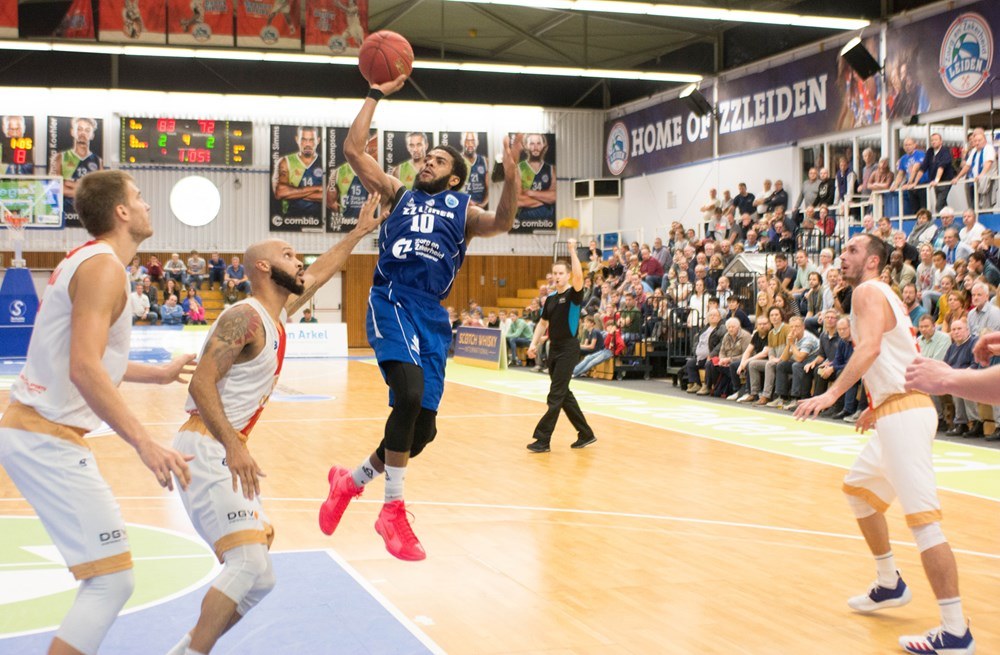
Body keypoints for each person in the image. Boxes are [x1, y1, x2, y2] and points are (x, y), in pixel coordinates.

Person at [316, 74, 524, 562]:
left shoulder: (464, 210)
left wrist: (512, 177)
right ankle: (392, 511)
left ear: (454, 178)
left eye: (439, 160)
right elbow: (352, 149)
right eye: (426, 157)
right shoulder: (398, 194)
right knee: (408, 395)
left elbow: (503, 222)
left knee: (422, 432)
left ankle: (350, 482)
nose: (427, 162)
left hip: (431, 315)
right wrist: (375, 93)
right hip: (392, 297)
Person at [165, 193, 383, 655]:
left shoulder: (275, 314)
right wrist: (234, 446)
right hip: (207, 446)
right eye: (288, 253)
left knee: (260, 578)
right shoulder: (244, 317)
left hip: (223, 446)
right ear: (263, 268)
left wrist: (359, 232)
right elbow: (202, 384)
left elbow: (319, 272)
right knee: (246, 563)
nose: (298, 260)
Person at [0, 170, 194, 655]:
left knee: (111, 579)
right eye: (139, 197)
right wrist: (145, 443)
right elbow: (84, 368)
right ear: (121, 212)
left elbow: (96, 358)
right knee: (111, 581)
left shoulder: (90, 261)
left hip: (38, 433)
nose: (147, 204)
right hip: (44, 436)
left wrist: (159, 374)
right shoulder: (104, 268)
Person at [795, 233, 974, 655]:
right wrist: (877, 405)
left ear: (873, 261)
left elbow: (872, 349)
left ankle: (955, 631)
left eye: (853, 251)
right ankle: (889, 581)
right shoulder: (881, 294)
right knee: (859, 491)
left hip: (906, 416)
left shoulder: (867, 292)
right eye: (844, 250)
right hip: (897, 409)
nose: (843, 257)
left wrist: (831, 394)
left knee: (924, 523)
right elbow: (897, 354)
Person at [526, 239, 598, 451]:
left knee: (555, 395)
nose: (557, 276)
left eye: (560, 273)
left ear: (567, 275)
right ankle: (586, 433)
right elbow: (542, 323)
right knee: (563, 393)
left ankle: (543, 439)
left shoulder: (574, 294)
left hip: (568, 348)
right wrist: (533, 344)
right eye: (554, 273)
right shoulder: (549, 299)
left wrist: (572, 251)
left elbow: (579, 277)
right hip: (554, 348)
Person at [49, 117, 103, 216]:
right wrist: (86, 191)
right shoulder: (60, 157)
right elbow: (53, 187)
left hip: (88, 214)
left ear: (92, 135)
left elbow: (100, 192)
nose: (83, 133)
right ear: (72, 132)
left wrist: (70, 186)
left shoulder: (98, 161)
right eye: (79, 129)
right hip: (64, 214)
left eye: (87, 130)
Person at [272, 126, 324, 216]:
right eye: (303, 139)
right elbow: (280, 193)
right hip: (290, 219)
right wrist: (317, 188)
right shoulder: (285, 161)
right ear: (297, 139)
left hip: (319, 219)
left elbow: (328, 196)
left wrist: (292, 193)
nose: (308, 144)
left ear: (318, 140)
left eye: (311, 140)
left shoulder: (324, 163)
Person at [516, 133, 556, 224]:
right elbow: (518, 200)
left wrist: (530, 193)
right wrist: (546, 200)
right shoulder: (519, 168)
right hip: (524, 222)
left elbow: (554, 196)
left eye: (538, 143)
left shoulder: (551, 169)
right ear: (525, 146)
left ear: (544, 146)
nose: (535, 147)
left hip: (547, 222)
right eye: (532, 144)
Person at [459, 131, 489, 208]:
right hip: (461, 206)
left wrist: (482, 205)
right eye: (467, 141)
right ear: (462, 142)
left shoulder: (484, 160)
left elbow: (489, 188)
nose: (470, 144)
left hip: (479, 207)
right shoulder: (457, 160)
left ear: (477, 142)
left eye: (473, 141)